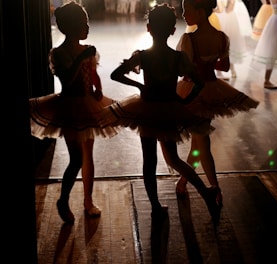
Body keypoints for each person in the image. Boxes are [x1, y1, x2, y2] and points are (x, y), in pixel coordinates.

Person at [109, 3, 221, 222]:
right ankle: (206, 192)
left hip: (148, 110)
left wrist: (140, 87)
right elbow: (198, 82)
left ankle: (155, 207)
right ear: (172, 30)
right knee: (175, 159)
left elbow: (115, 74)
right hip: (169, 109)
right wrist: (184, 100)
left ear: (148, 28)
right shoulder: (177, 58)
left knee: (149, 162)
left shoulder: (143, 56)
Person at [29, 1, 118, 223]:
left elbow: (92, 72)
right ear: (70, 27)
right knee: (76, 158)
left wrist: (98, 88)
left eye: (87, 22)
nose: (87, 27)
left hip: (87, 104)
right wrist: (81, 58)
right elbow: (67, 79)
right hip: (69, 107)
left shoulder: (87, 51)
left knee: (88, 154)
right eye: (83, 23)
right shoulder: (59, 53)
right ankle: (63, 199)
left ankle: (88, 200)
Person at [175, 0, 260, 207]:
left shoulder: (189, 39)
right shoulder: (222, 38)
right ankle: (183, 181)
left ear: (201, 12)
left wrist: (196, 65)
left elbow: (182, 70)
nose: (184, 15)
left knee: (202, 142)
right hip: (212, 89)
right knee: (198, 141)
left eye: (188, 11)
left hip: (193, 91)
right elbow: (225, 66)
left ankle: (214, 187)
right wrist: (209, 62)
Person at [215, 0, 249, 79]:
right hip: (219, 17)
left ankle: (231, 68)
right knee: (219, 44)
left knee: (230, 43)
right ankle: (219, 70)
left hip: (228, 18)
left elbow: (229, 9)